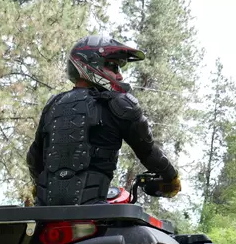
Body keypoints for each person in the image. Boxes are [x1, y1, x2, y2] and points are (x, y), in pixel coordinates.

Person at [26, 35, 181, 206]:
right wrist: (171, 178)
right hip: (93, 212)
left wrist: (38, 184)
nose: (119, 76)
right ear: (92, 65)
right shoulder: (120, 104)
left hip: (45, 214)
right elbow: (148, 151)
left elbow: (34, 158)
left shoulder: (53, 104)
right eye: (113, 67)